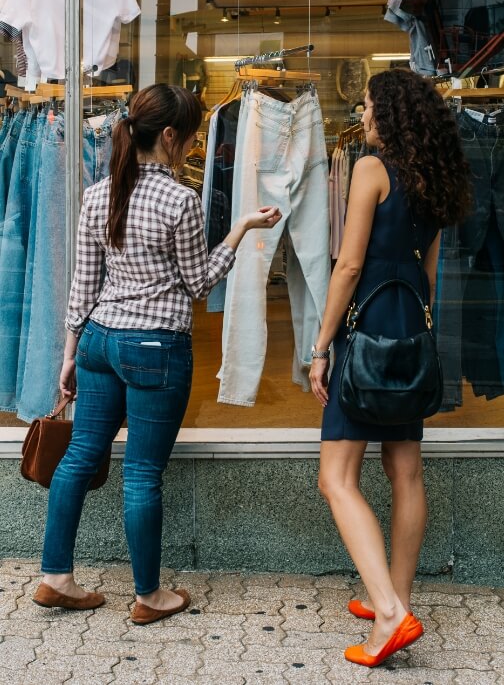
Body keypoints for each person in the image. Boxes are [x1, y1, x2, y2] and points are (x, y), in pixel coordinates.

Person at [34, 84, 281, 624]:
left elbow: (84, 281)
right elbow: (198, 283)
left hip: (99, 338)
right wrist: (240, 229)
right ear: (168, 136)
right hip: (154, 346)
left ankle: (56, 578)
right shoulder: (181, 200)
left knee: (78, 457)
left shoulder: (99, 193)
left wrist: (70, 352)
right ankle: (149, 596)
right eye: (190, 138)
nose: (192, 147)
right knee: (142, 472)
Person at [310, 69, 471, 667]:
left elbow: (349, 266)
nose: (363, 112)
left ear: (393, 113)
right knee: (405, 469)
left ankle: (388, 611)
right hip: (409, 332)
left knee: (337, 477)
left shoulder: (370, 170)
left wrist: (321, 346)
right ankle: (397, 597)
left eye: (370, 104)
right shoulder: (433, 179)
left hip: (365, 333)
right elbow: (425, 271)